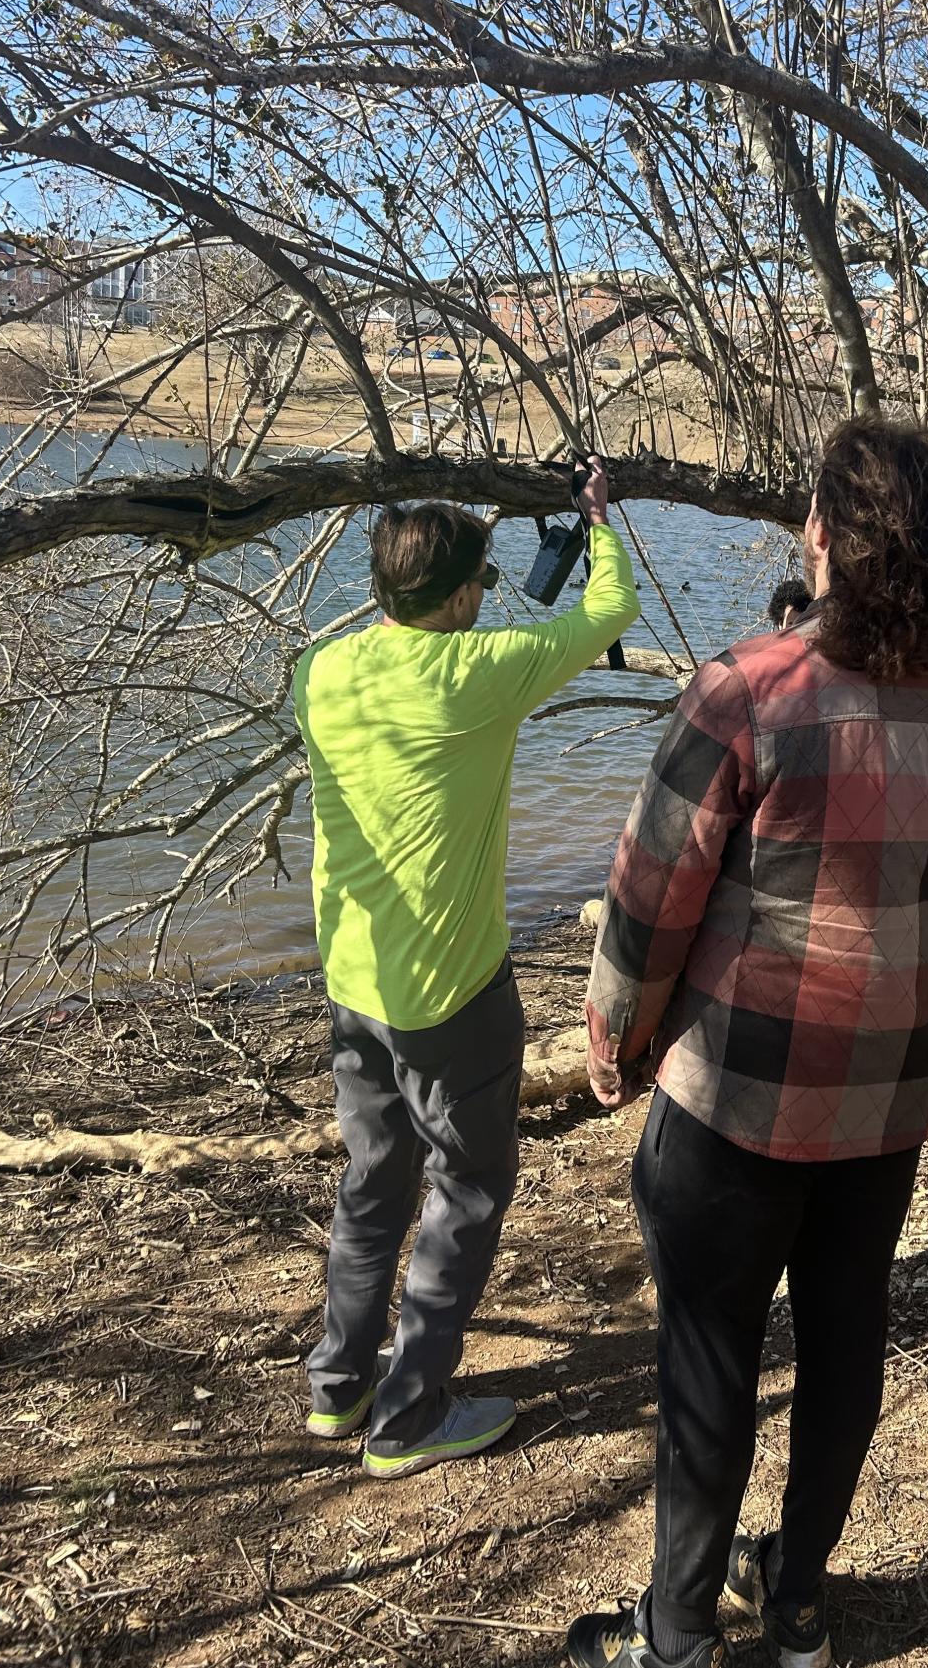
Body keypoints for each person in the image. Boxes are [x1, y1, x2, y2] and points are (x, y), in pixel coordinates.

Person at [568, 421, 928, 1668]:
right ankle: (800, 1608)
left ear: (820, 535)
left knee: (709, 1365)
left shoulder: (746, 689)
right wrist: (919, 1043)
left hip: (730, 1112)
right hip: (882, 1115)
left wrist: (614, 1039)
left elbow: (649, 898)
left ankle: (675, 1638)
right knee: (842, 1350)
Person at [293, 459, 638, 1479]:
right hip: (450, 993)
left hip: (353, 982)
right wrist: (598, 520)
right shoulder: (482, 675)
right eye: (482, 586)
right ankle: (407, 1416)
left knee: (372, 1182)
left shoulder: (323, 672)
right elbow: (608, 606)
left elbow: (425, 674)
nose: (491, 598)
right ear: (454, 598)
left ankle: (337, 1385)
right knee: (469, 1188)